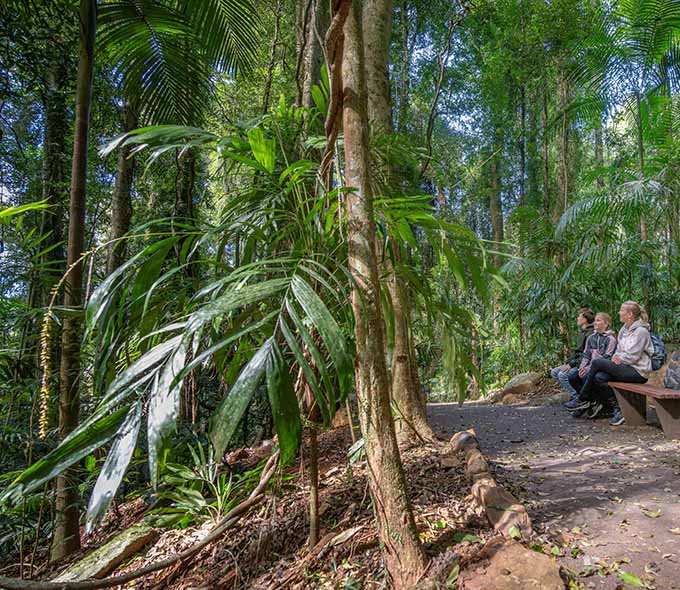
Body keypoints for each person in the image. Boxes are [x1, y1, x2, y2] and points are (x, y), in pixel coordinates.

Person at [569, 301, 654, 425]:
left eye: (622, 310)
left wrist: (619, 358)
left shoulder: (641, 331)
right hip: (624, 367)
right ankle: (617, 410)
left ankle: (583, 398)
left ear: (629, 314)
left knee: (598, 362)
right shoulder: (624, 330)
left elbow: (633, 356)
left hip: (637, 371)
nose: (619, 312)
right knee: (599, 377)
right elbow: (618, 350)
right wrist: (616, 357)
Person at [564, 312, 617, 414]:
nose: (595, 323)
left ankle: (588, 400)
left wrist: (587, 369)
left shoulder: (610, 339)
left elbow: (607, 357)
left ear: (606, 324)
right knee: (572, 376)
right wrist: (582, 368)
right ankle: (589, 401)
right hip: (589, 367)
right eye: (595, 320)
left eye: (598, 320)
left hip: (602, 368)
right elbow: (586, 355)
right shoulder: (591, 338)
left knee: (587, 376)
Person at [552, 308, 595, 402]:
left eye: (579, 316)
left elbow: (587, 355)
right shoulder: (582, 332)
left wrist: (571, 364)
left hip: (584, 364)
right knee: (554, 372)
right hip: (577, 362)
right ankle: (574, 395)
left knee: (562, 375)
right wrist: (568, 362)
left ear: (585, 319)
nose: (577, 318)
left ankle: (578, 398)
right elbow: (577, 351)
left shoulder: (590, 334)